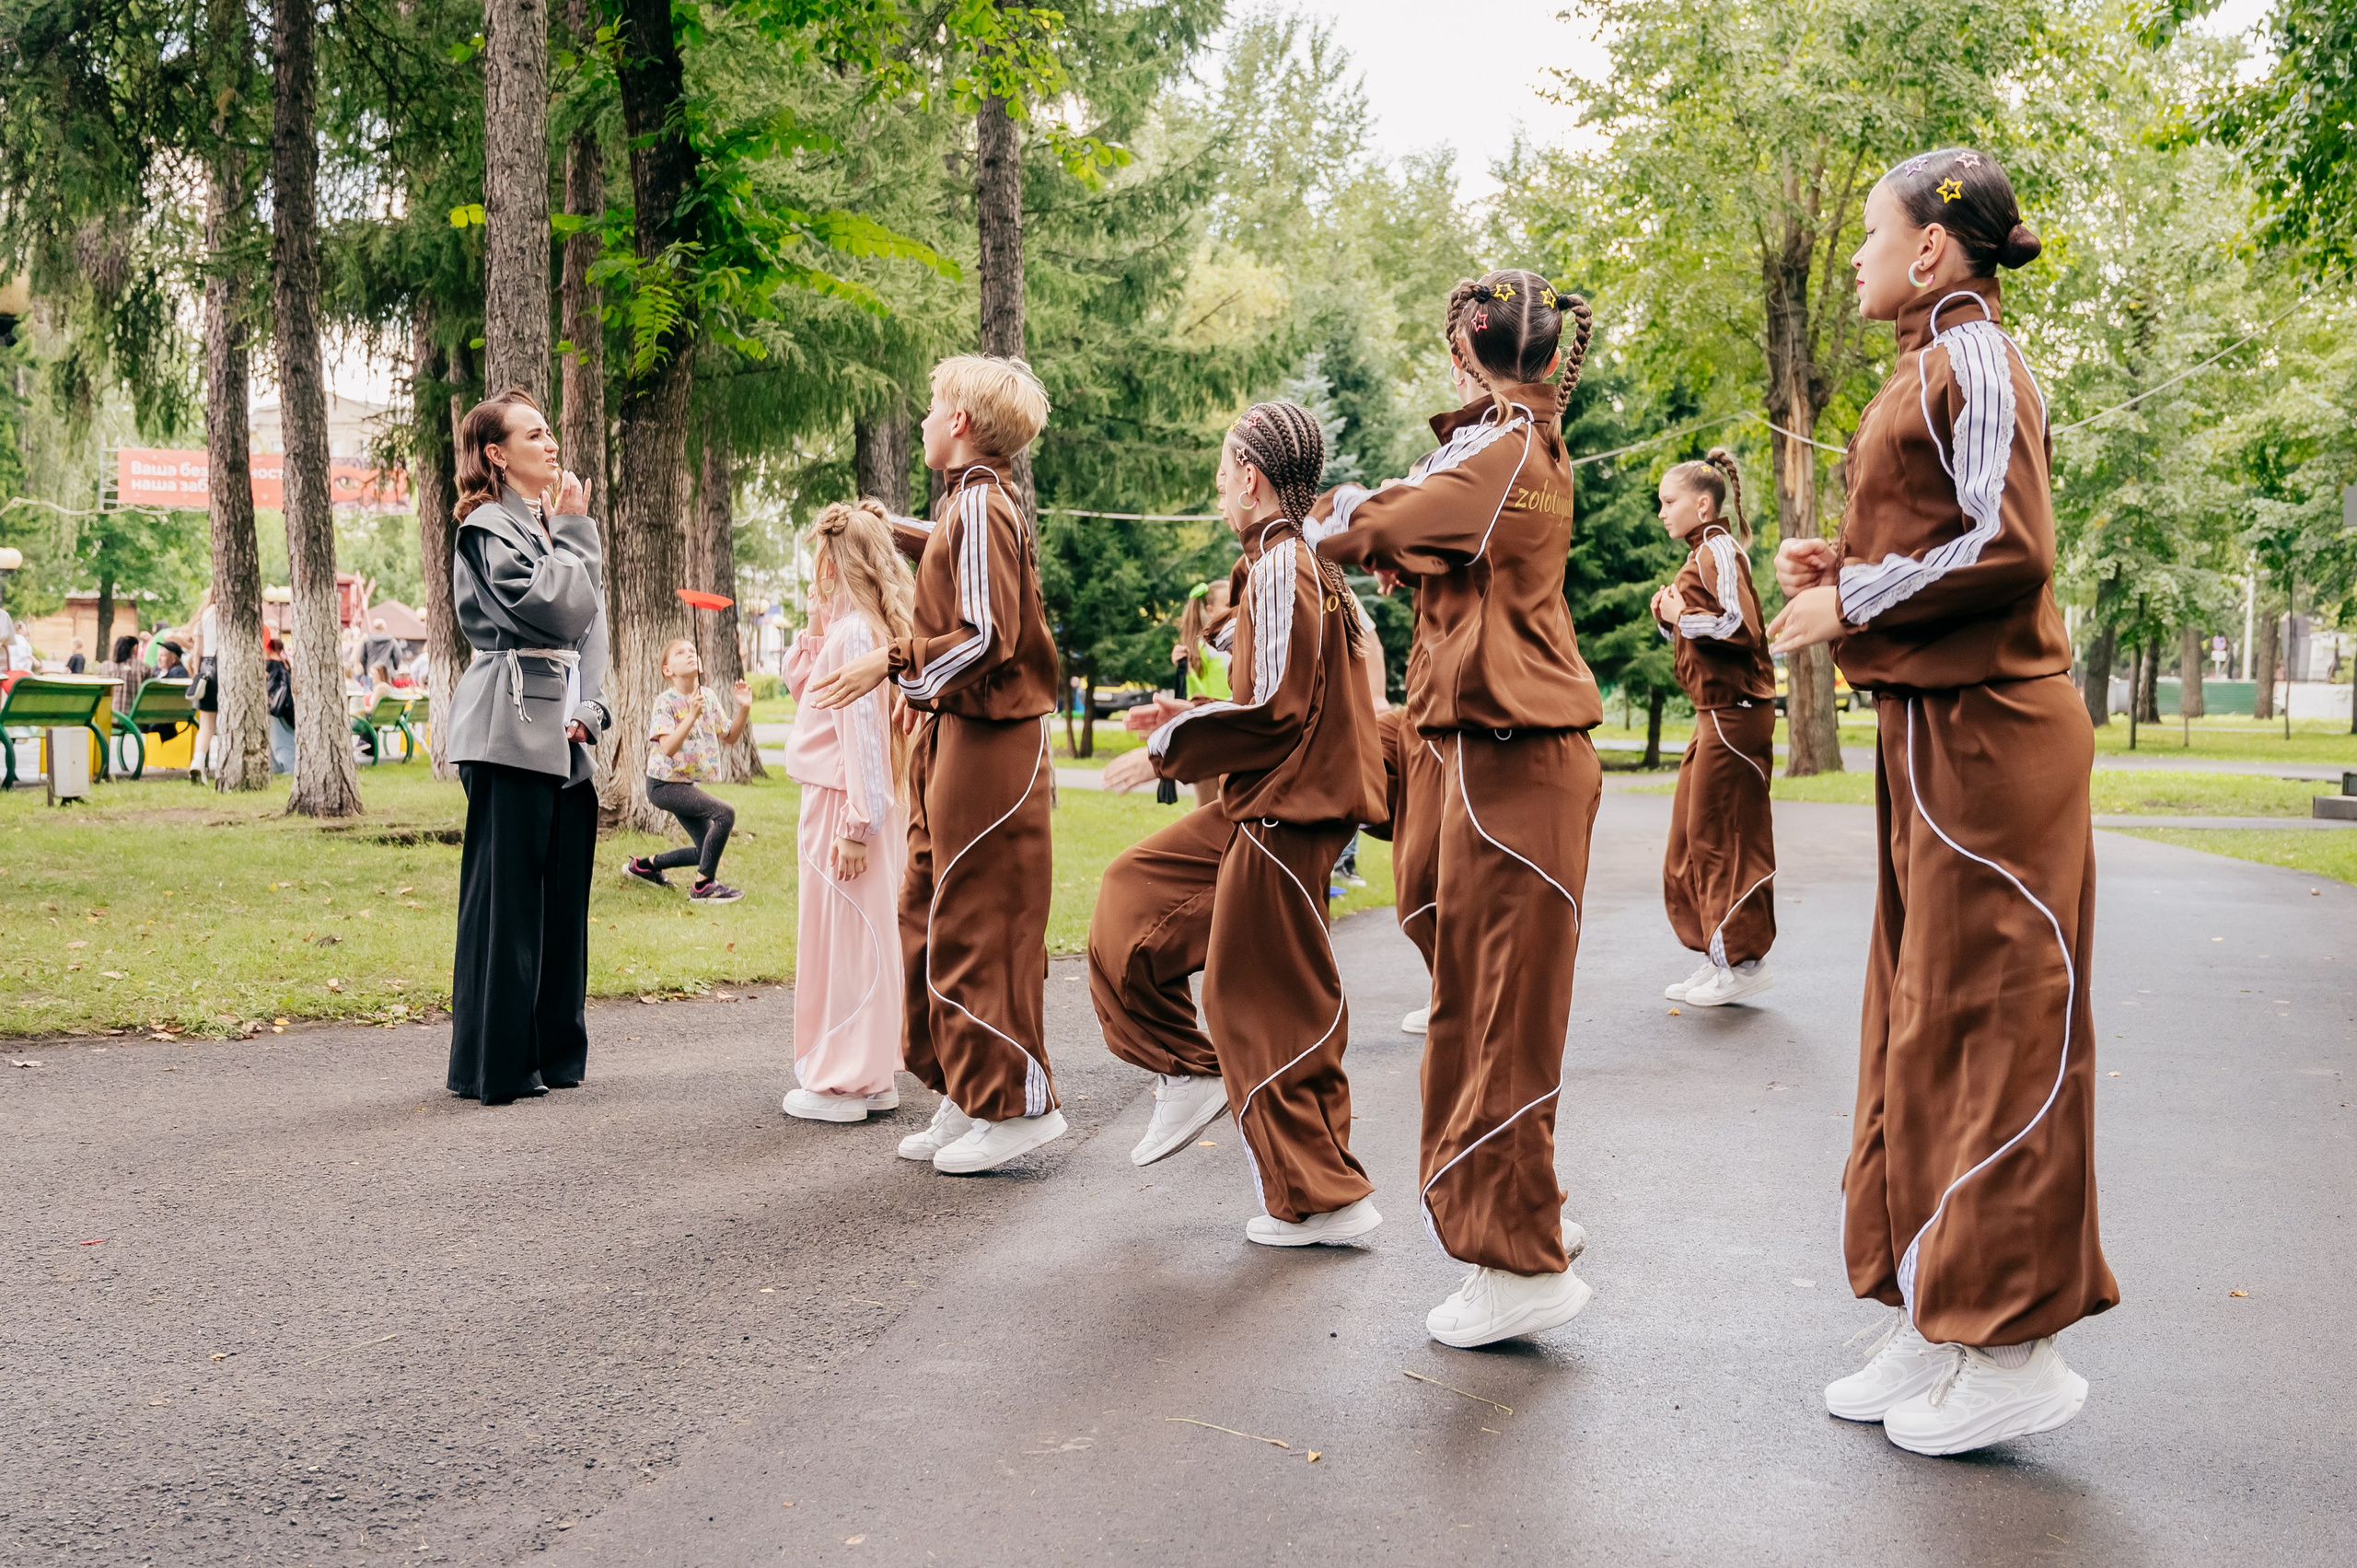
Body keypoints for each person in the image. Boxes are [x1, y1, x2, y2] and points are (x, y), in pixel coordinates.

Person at [1769, 147, 2113, 1457]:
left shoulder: (1974, 359)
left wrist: (1844, 598)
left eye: (1871, 232)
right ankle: (1935, 1302)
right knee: (1917, 1024)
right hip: (1931, 740)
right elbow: (1946, 535)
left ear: (1930, 249)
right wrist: (1849, 557)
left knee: (1996, 1026)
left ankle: (2013, 1340)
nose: (1855, 255)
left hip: (1992, 742)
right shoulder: (1927, 361)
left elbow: (2009, 542)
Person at [1319, 269, 1605, 1349]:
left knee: (1495, 1014)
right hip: (1472, 754)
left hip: (1508, 756)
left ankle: (1516, 1257)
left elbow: (1385, 521)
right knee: (1474, 993)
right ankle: (1528, 1210)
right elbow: (1422, 535)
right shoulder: (1504, 443)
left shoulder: (1503, 452)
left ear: (1460, 349)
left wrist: (1335, 518)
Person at [1087, 401, 1388, 1244]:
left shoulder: (1288, 563)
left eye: (1223, 472)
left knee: (1264, 997)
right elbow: (1282, 695)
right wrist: (1187, 711)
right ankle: (1188, 1068)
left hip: (1287, 814)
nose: (1218, 487)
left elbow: (1279, 708)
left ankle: (1324, 1198)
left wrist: (1171, 746)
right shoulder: (1281, 565)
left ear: (1250, 478)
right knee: (1131, 899)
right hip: (1261, 805)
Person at [807, 354, 1065, 1175]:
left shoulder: (984, 507)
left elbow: (990, 637)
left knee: (976, 923)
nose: (922, 418)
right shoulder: (967, 506)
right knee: (927, 909)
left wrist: (892, 660)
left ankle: (1017, 1104)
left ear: (959, 423)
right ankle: (967, 1085)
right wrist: (892, 530)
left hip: (992, 742)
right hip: (955, 738)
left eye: (931, 406)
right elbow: (951, 555)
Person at [442, 387, 611, 1107]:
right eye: (533, 434)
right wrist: (575, 534)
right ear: (496, 455)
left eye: (550, 432)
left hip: (565, 733)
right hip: (507, 727)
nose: (551, 443)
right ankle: (496, 1064)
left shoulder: (548, 527)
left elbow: (589, 622)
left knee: (562, 900)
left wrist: (594, 706)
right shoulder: (487, 526)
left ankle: (552, 1053)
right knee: (506, 904)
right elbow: (555, 604)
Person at [779, 499, 912, 1122]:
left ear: (833, 564)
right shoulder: (857, 629)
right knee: (856, 934)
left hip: (844, 803)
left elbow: (860, 733)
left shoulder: (858, 632)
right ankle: (868, 1068)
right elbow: (813, 692)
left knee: (846, 937)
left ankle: (844, 1079)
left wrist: (858, 825)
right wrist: (815, 622)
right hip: (845, 799)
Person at [1650, 449, 1778, 1008]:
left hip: (1735, 713)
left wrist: (1678, 616)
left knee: (1720, 836)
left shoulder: (1720, 550)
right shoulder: (1701, 554)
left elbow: (1736, 627)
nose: (1662, 513)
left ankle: (1744, 962)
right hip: (1712, 716)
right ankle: (1718, 953)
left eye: (1669, 502)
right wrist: (1667, 619)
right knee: (1688, 838)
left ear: (1703, 505)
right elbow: (1703, 638)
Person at [624, 637, 749, 902]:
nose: (690, 654)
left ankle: (643, 866)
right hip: (662, 785)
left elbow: (730, 736)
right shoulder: (666, 702)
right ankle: (703, 887)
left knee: (706, 849)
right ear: (667, 670)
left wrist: (744, 708)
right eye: (680, 653)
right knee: (725, 814)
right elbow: (668, 747)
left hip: (683, 784)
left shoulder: (709, 698)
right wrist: (691, 715)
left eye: (693, 651)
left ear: (700, 663)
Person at [263, 633, 296, 775]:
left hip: (276, 706)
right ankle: (281, 766)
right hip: (286, 706)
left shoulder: (271, 665)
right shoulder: (285, 663)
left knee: (279, 739)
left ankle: (288, 766)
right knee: (284, 735)